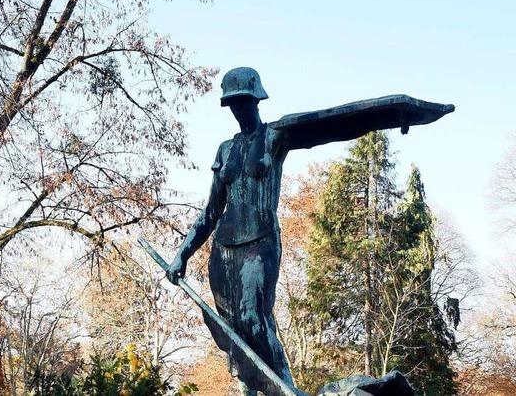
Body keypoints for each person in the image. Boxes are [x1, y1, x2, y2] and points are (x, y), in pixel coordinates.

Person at [166, 67, 452, 395]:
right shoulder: (225, 150)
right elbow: (211, 210)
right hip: (224, 252)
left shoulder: (275, 136)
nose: (238, 109)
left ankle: (285, 388)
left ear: (257, 100)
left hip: (260, 245)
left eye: (243, 101)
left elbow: (332, 124)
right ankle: (252, 389)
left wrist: (394, 113)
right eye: (233, 104)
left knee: (253, 318)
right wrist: (182, 255)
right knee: (236, 332)